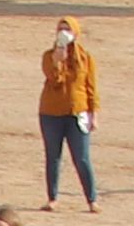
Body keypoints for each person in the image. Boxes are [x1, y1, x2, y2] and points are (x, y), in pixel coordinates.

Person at [37, 16, 103, 208]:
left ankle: (92, 199)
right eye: (60, 29)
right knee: (53, 156)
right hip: (51, 112)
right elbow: (53, 79)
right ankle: (52, 198)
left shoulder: (86, 58)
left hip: (77, 112)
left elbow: (91, 87)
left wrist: (94, 114)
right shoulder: (48, 55)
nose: (64, 32)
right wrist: (57, 60)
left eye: (68, 29)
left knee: (82, 158)